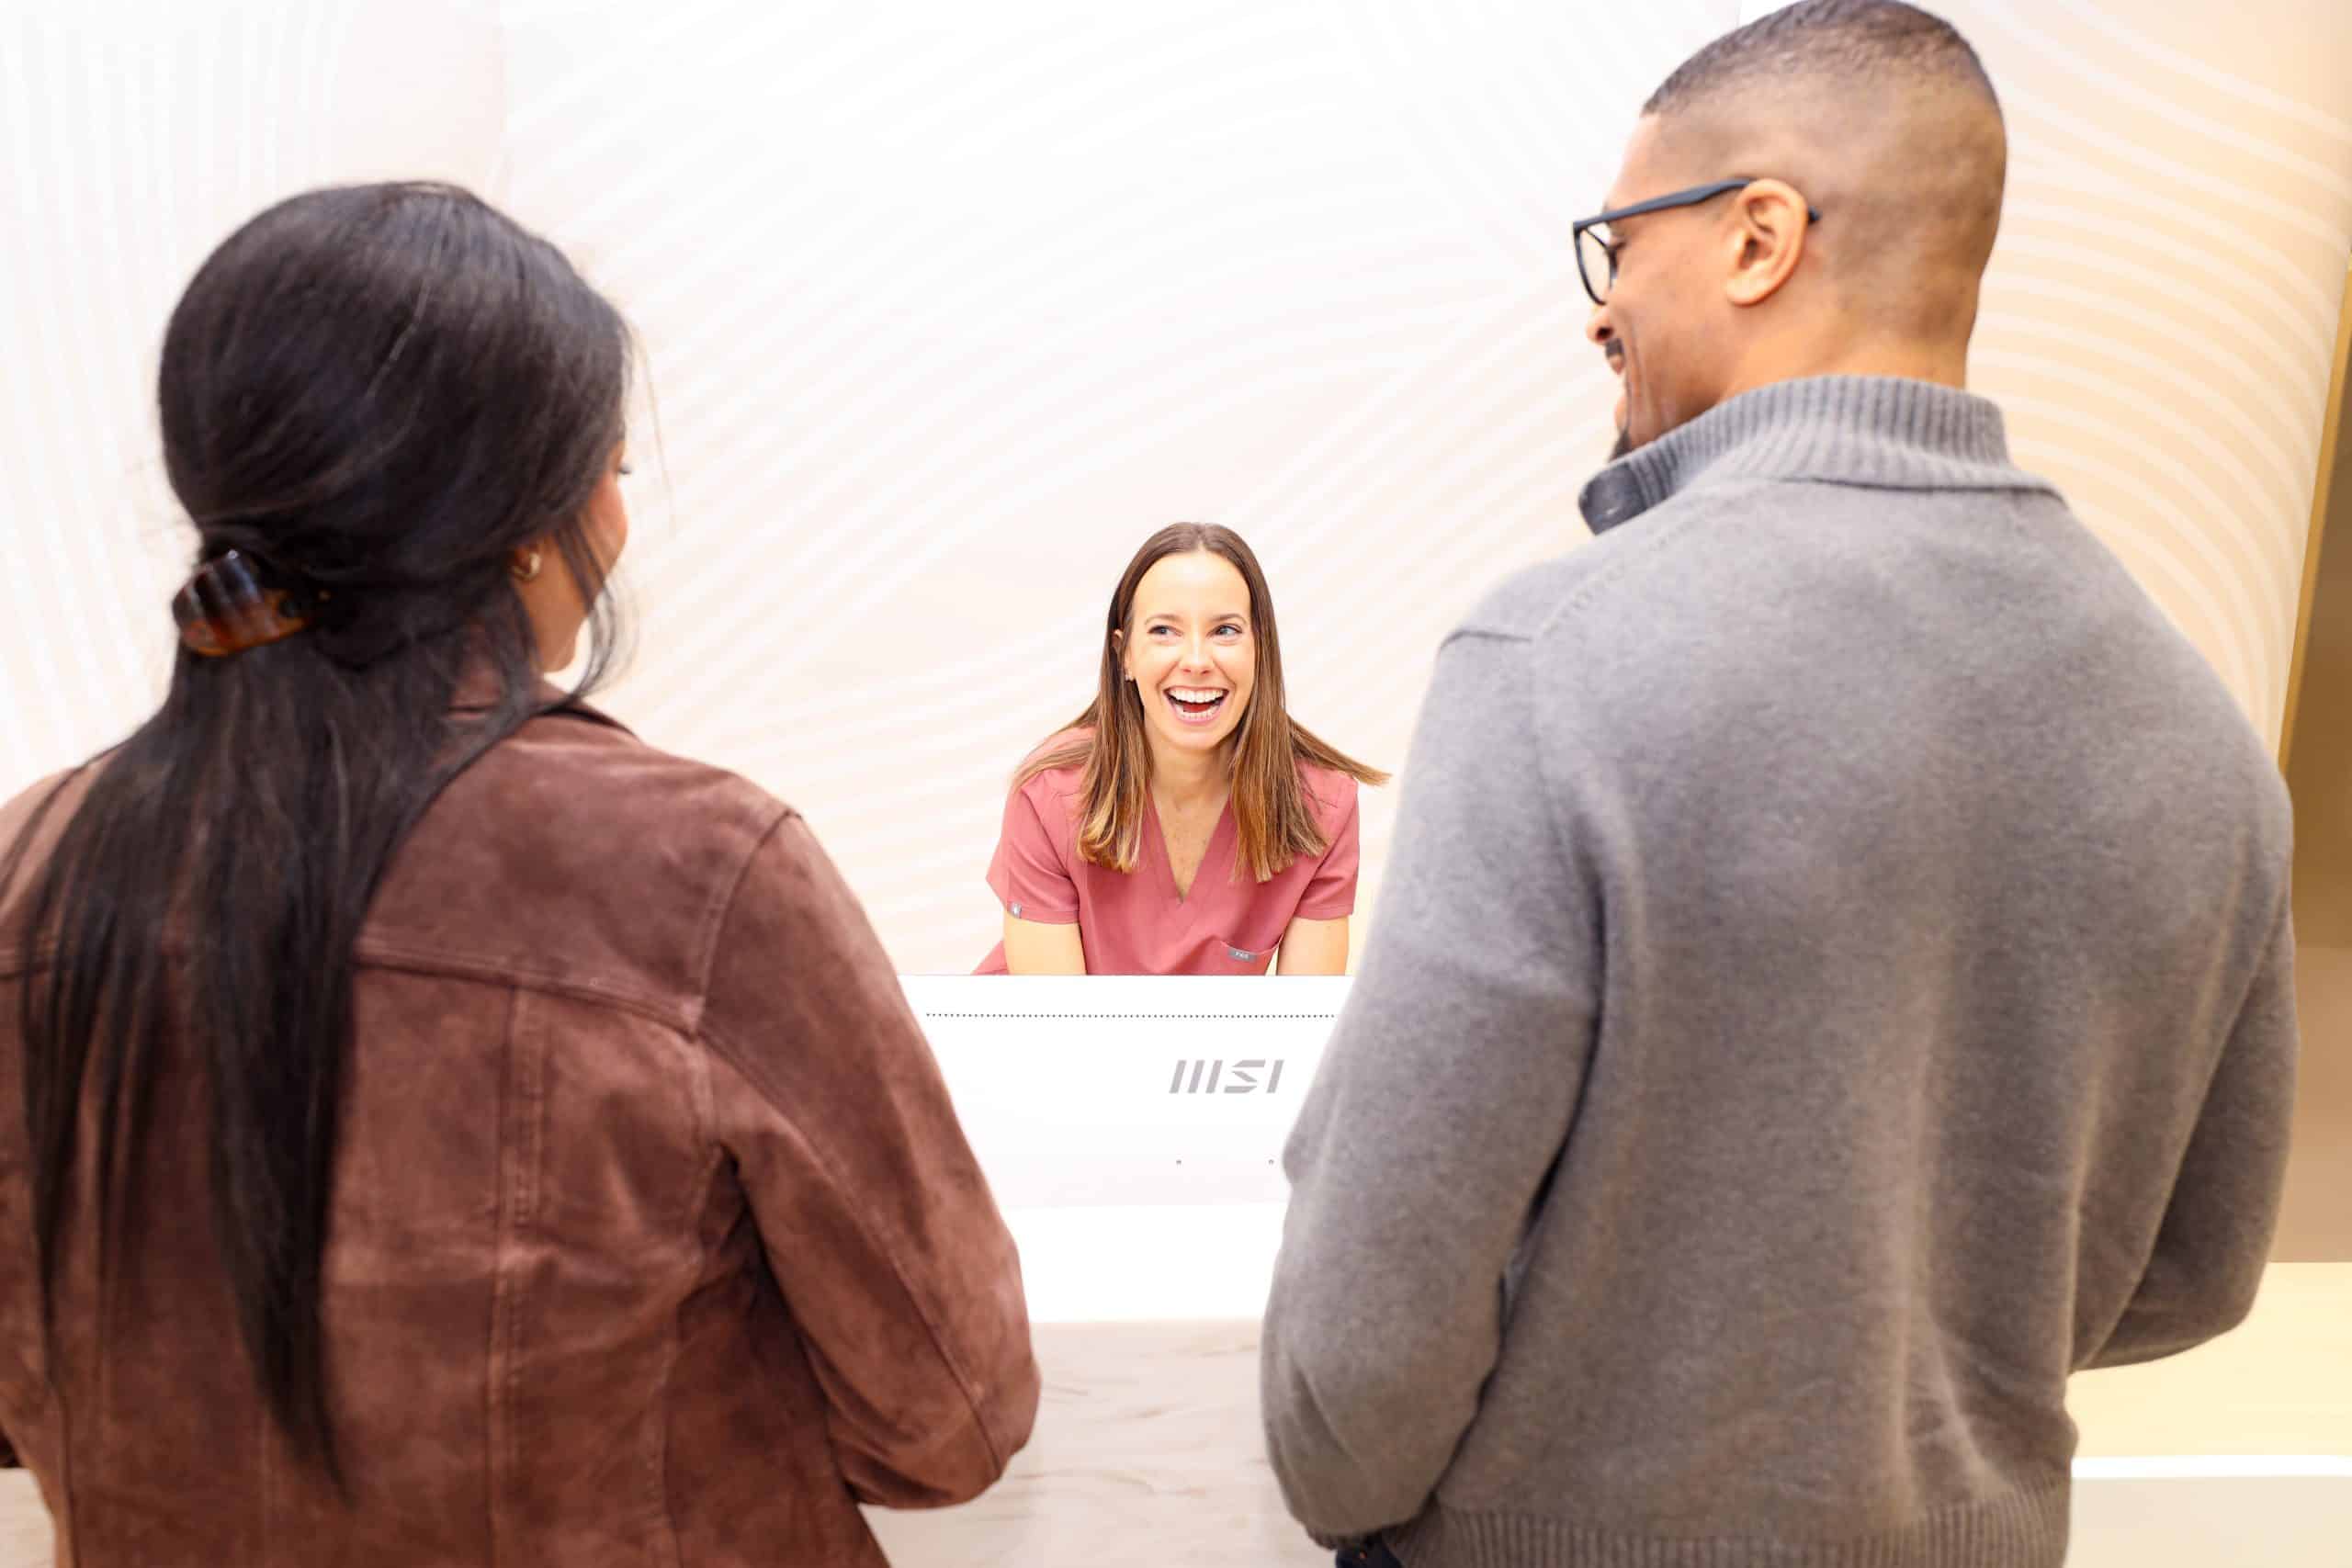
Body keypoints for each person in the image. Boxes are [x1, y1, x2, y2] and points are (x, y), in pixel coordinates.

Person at [1261, 6, 2299, 1567]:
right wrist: (1885, 1353)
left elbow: (1353, 1391)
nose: (1603, 313)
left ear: (1759, 237)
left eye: (1620, 248)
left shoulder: (1555, 659)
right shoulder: (2201, 730)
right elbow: (2199, 1271)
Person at [0, 183, 1037, 1565]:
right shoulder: (703, 871)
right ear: (530, 524)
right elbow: (949, 1419)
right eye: (612, 470)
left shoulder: (31, 872)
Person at [978, 524, 1386, 976]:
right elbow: (1053, 1017)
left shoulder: (1322, 805)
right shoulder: (1050, 794)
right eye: (1164, 631)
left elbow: (1303, 1015)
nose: (1195, 661)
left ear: (1260, 650)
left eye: (1225, 631)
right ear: (1124, 655)